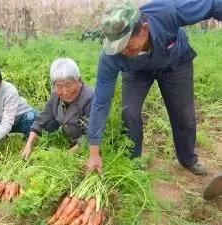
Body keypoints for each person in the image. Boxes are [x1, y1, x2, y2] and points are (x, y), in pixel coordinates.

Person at [87, 0, 222, 175]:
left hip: (175, 63)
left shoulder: (167, 13)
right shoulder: (111, 57)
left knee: (184, 115)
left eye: (126, 45)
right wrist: (94, 152)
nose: (123, 52)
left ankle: (188, 159)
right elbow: (101, 101)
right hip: (137, 72)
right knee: (129, 112)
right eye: (117, 48)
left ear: (144, 30)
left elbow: (212, 4)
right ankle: (134, 162)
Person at [21, 58, 94, 159]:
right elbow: (41, 120)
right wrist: (29, 144)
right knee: (47, 122)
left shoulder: (89, 98)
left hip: (84, 140)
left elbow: (92, 133)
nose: (64, 92)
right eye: (59, 86)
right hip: (68, 134)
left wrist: (64, 156)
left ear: (79, 80)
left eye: (68, 85)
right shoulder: (56, 95)